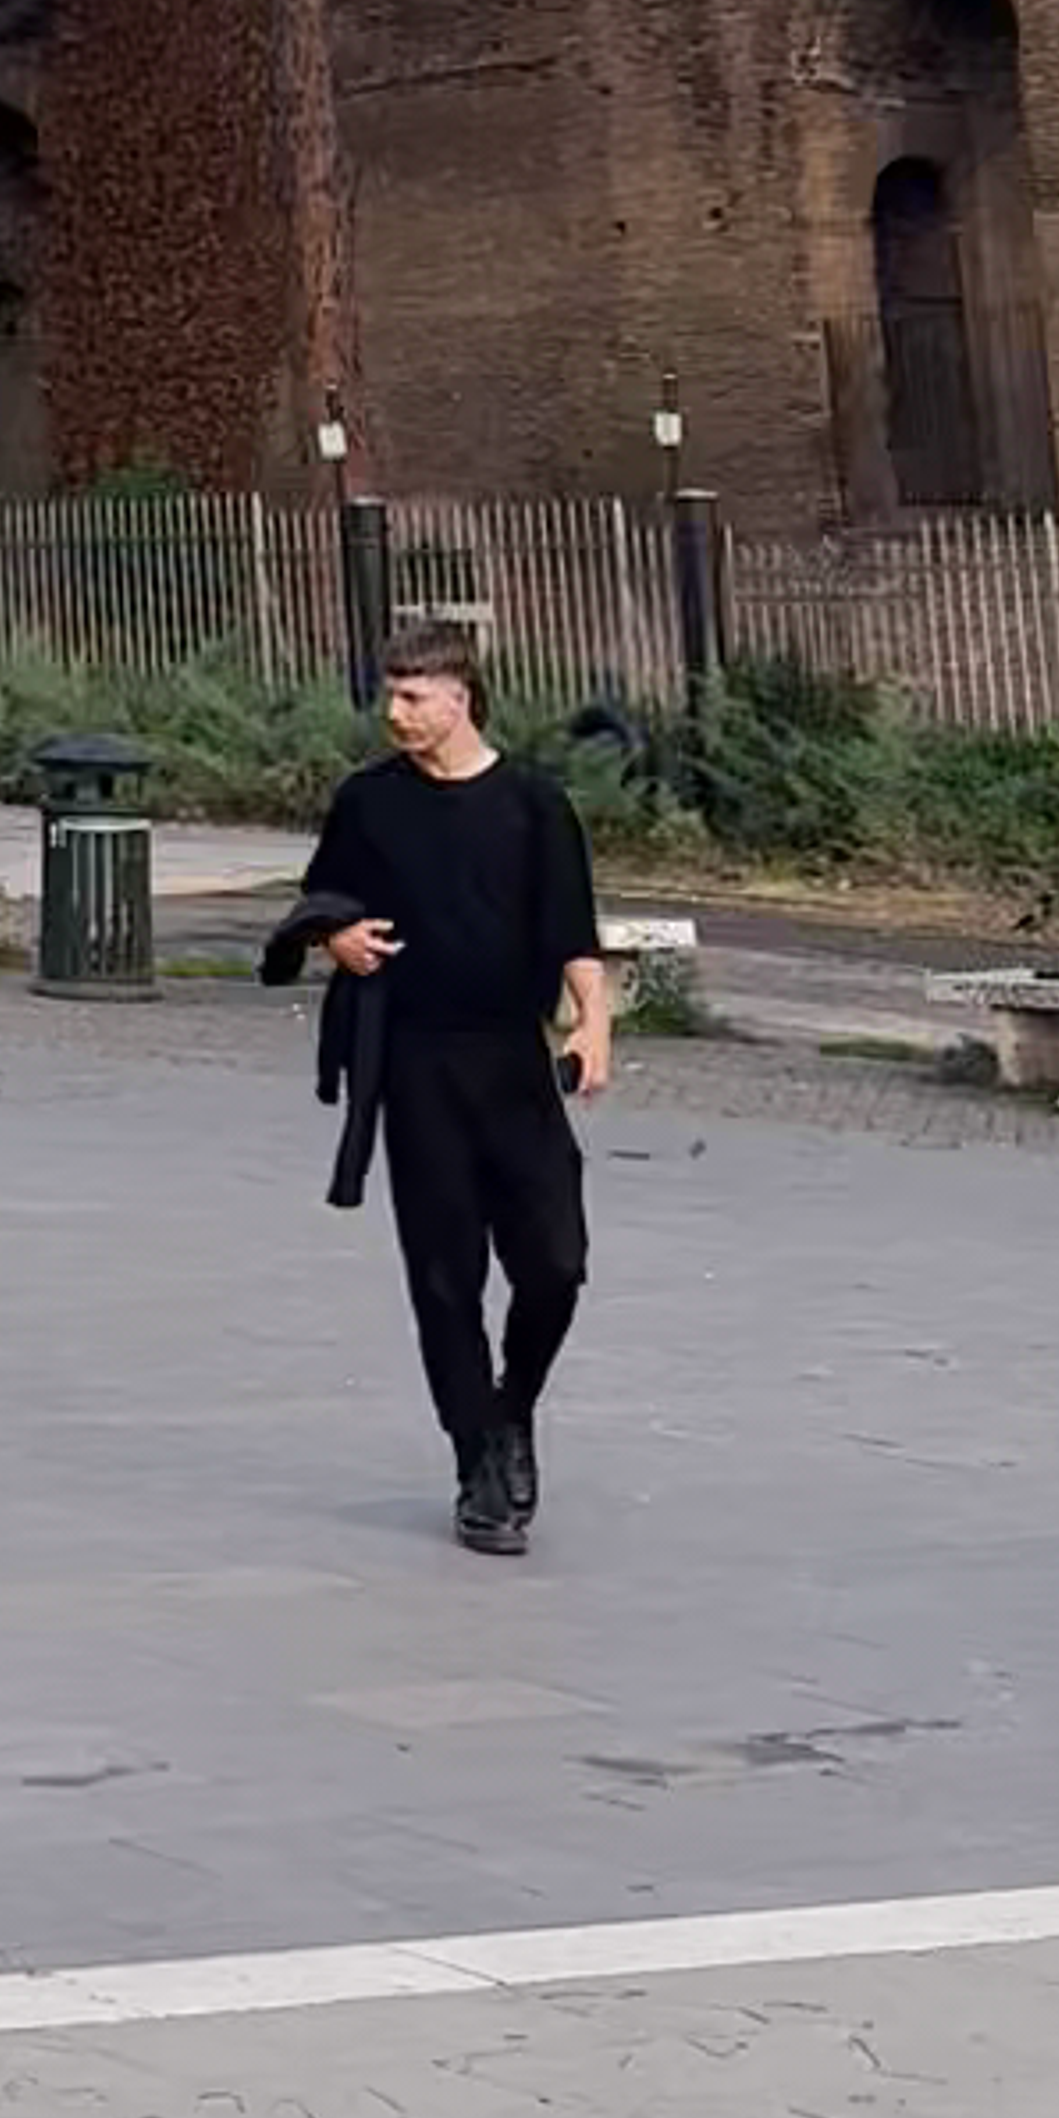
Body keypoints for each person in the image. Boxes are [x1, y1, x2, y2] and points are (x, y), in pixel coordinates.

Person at [286, 626, 611, 1554]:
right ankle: (480, 1468)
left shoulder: (534, 805)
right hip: (415, 1066)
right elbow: (321, 903)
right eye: (389, 694)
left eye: (413, 695)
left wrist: (593, 1022)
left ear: (462, 695)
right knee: (444, 1274)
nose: (395, 713)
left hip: (512, 1061)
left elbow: (573, 935)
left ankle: (511, 1411)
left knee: (555, 1260)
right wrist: (335, 940)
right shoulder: (368, 803)